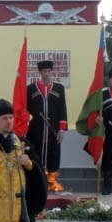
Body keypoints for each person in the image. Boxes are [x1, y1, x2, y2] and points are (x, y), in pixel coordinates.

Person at [26, 60, 68, 192]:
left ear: (51, 72)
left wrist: (61, 129)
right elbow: (25, 109)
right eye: (44, 71)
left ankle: (52, 182)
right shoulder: (31, 88)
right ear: (40, 72)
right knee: (36, 153)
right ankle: (38, 183)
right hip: (36, 129)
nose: (47, 74)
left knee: (53, 154)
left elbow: (62, 109)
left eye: (49, 71)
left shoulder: (59, 88)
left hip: (53, 128)